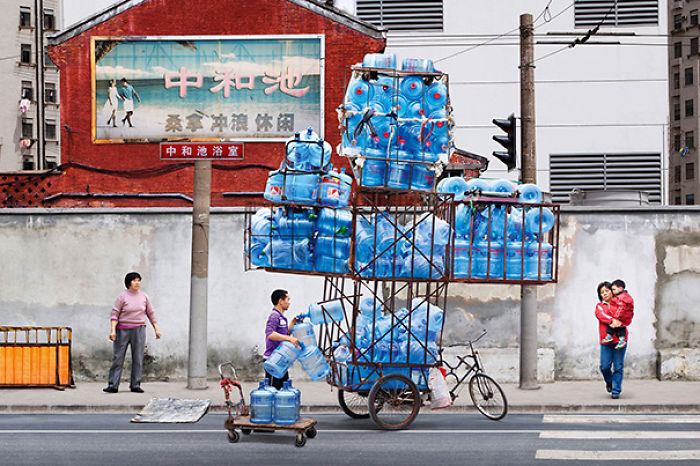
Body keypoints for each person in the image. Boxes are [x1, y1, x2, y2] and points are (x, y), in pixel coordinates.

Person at [104, 272, 162, 393]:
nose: (137, 283)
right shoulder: (122, 297)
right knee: (118, 357)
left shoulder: (144, 297)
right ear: (128, 283)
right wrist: (112, 330)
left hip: (139, 329)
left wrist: (156, 329)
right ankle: (113, 385)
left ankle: (135, 384)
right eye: (134, 280)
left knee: (138, 358)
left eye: (138, 280)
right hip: (122, 330)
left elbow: (150, 313)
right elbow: (114, 314)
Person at [595, 281, 629, 399]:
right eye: (602, 292)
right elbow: (601, 315)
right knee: (604, 366)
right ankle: (610, 383)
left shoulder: (620, 304)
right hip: (606, 341)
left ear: (612, 291)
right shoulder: (600, 306)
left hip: (620, 340)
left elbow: (626, 315)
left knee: (618, 366)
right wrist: (612, 320)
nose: (604, 294)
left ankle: (616, 390)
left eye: (607, 291)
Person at [263, 289, 300, 389]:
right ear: (280, 301)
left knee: (283, 390)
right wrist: (289, 339)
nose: (289, 303)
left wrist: (293, 323)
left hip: (281, 360)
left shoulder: (282, 317)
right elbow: (270, 334)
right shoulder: (274, 316)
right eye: (288, 299)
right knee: (273, 391)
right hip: (272, 360)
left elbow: (283, 334)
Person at [603, 279, 634, 350]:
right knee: (621, 328)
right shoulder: (626, 296)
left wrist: (616, 317)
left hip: (620, 317)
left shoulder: (620, 297)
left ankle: (609, 336)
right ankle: (621, 341)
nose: (613, 292)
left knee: (611, 324)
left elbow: (621, 308)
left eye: (614, 289)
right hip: (626, 318)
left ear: (620, 289)